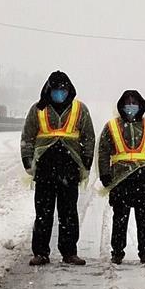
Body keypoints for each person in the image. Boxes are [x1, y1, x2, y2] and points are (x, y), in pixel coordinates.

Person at [21, 71, 95, 266]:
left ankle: (69, 252)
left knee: (68, 212)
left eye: (63, 89)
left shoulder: (80, 109)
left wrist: (87, 160)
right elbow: (27, 135)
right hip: (45, 168)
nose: (59, 93)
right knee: (43, 213)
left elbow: (88, 137)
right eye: (56, 90)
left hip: (69, 168)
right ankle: (40, 252)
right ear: (48, 90)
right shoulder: (38, 109)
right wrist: (27, 160)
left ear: (69, 90)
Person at [98, 90, 145, 264]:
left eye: (134, 103)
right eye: (127, 103)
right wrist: (104, 173)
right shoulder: (112, 126)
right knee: (120, 217)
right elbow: (104, 151)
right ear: (121, 106)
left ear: (140, 105)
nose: (131, 107)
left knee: (143, 218)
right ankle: (117, 252)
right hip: (120, 179)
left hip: (143, 178)